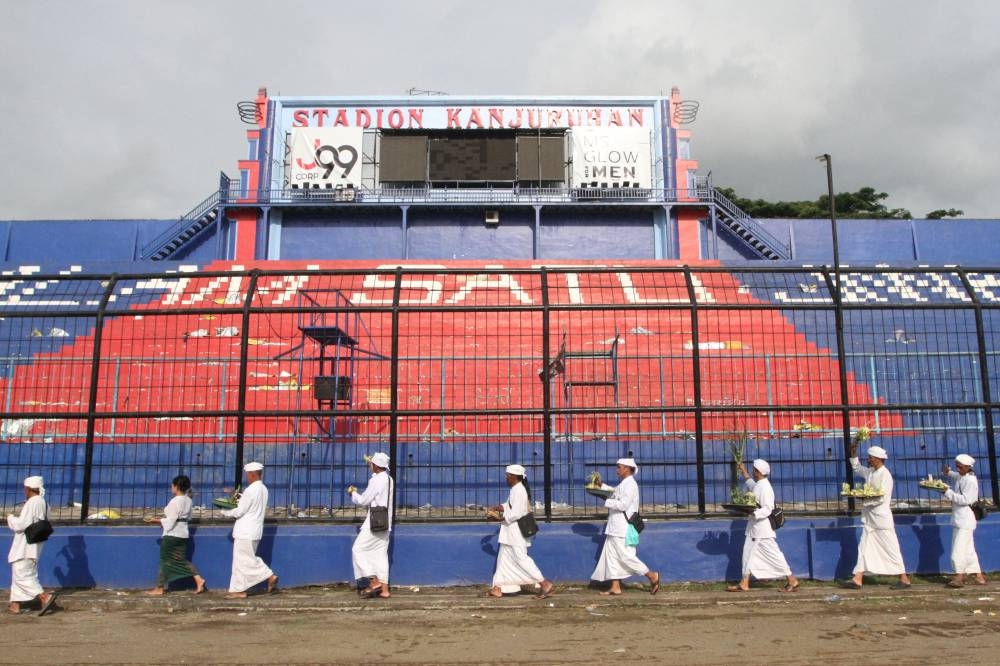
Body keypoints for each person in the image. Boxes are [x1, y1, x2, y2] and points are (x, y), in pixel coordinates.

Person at [841, 445, 912, 590]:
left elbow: (881, 498)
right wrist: (854, 454)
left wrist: (863, 499)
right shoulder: (872, 472)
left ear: (878, 459)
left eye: (871, 458)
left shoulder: (885, 475)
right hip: (870, 519)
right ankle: (858, 578)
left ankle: (904, 578)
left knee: (891, 548)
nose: (869, 460)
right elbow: (858, 469)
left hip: (881, 519)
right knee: (864, 547)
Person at [590, 458, 660, 595]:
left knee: (626, 556)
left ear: (627, 469)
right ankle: (615, 587)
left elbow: (623, 505)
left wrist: (607, 501)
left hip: (622, 527)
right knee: (611, 557)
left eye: (619, 467)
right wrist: (601, 485)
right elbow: (614, 491)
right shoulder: (624, 484)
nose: (617, 470)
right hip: (615, 526)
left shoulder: (630, 485)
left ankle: (652, 576)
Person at [727, 459, 799, 592]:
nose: (752, 471)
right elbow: (752, 486)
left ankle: (792, 580)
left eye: (753, 469)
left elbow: (768, 508)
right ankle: (744, 582)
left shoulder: (765, 487)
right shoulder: (760, 484)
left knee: (774, 555)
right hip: (756, 529)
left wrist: (753, 513)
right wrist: (744, 471)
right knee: (748, 554)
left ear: (758, 471)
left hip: (761, 529)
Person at [486, 464, 554, 599]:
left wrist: (498, 518)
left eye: (508, 476)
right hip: (509, 532)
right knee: (503, 559)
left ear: (514, 477)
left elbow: (516, 513)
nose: (506, 478)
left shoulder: (519, 491)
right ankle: (498, 588)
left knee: (521, 559)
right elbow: (509, 505)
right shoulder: (515, 489)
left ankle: (544, 583)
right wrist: (497, 507)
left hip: (515, 533)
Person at [221, 462, 278, 598]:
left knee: (243, 561)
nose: (247, 477)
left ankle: (267, 576)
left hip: (245, 531)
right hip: (255, 530)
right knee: (245, 560)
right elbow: (250, 503)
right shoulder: (263, 489)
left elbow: (240, 511)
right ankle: (238, 589)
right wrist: (236, 495)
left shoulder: (250, 490)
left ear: (252, 474)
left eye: (248, 475)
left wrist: (224, 512)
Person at [144, 475, 206, 595]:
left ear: (176, 487)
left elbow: (171, 520)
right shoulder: (188, 500)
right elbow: (188, 517)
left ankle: (159, 587)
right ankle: (198, 580)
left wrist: (156, 520)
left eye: (172, 485)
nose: (171, 487)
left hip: (172, 534)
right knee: (180, 560)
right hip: (182, 533)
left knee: (165, 560)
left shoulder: (174, 501)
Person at [7, 476, 58, 615]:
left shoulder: (32, 503)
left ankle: (44, 597)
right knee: (21, 573)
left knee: (22, 574)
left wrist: (10, 518)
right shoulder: (43, 502)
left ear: (28, 489)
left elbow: (21, 525)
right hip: (35, 544)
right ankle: (15, 605)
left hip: (26, 545)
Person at [349, 452, 393, 599]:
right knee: (381, 555)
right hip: (386, 522)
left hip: (374, 522)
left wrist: (353, 494)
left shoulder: (376, 481)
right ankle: (385, 590)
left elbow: (363, 500)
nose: (370, 466)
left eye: (371, 464)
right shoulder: (389, 479)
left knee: (357, 550)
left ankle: (373, 582)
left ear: (376, 465)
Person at [939, 454, 988, 587]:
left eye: (960, 467)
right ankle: (979, 576)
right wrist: (949, 473)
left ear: (967, 467)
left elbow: (966, 500)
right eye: (957, 466)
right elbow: (957, 476)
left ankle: (959, 576)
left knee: (958, 549)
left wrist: (947, 492)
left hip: (965, 519)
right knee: (968, 550)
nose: (958, 469)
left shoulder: (971, 481)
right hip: (960, 519)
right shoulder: (963, 475)